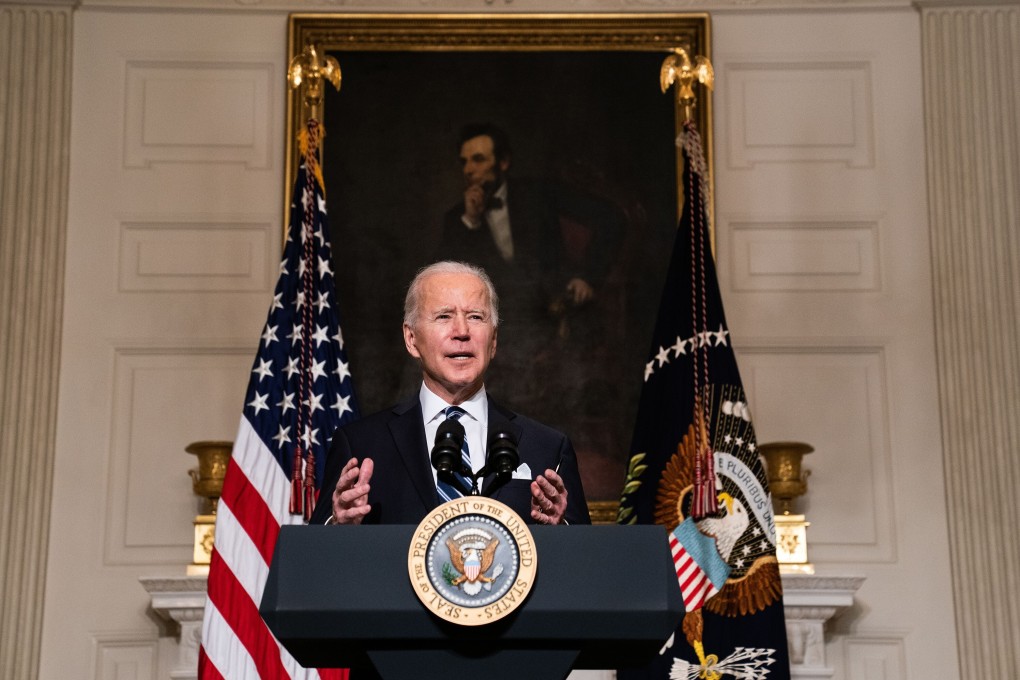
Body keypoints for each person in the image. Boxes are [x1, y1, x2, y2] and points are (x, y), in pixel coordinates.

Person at [309, 260, 590, 526]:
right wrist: (339, 525)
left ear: (493, 341)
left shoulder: (547, 448)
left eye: (476, 317)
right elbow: (317, 559)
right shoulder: (360, 445)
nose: (462, 332)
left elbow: (585, 565)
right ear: (411, 339)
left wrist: (561, 529)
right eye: (444, 316)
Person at [435, 123, 625, 407]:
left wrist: (587, 276)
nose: (468, 170)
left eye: (478, 159)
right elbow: (445, 282)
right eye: (464, 162)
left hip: (555, 320)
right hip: (498, 335)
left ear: (503, 162)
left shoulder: (538, 194)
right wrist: (471, 222)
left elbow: (611, 218)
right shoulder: (457, 219)